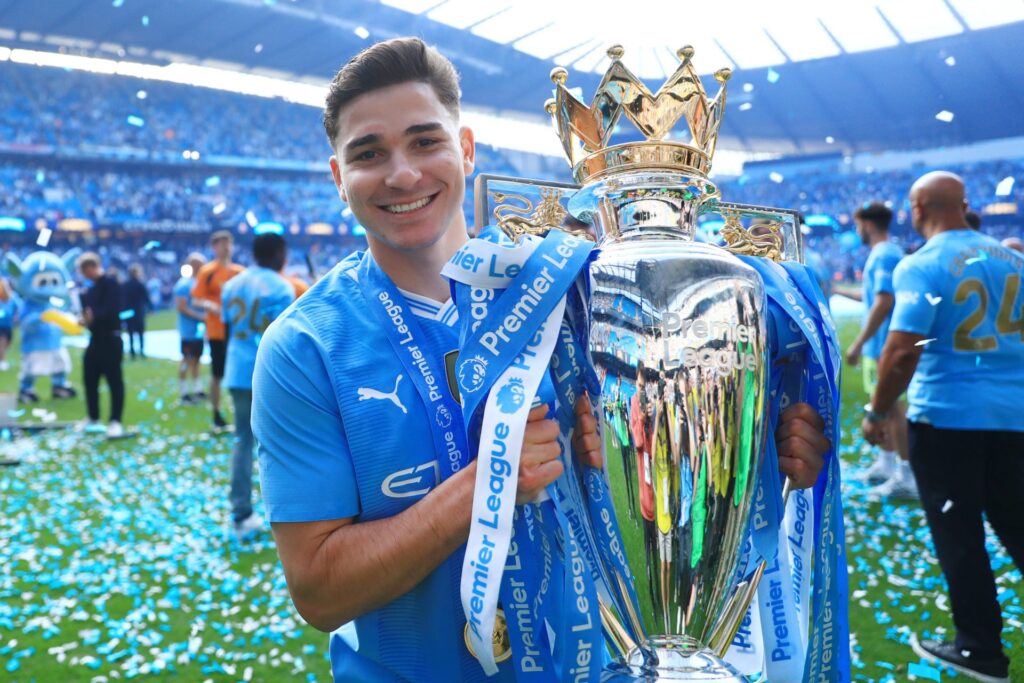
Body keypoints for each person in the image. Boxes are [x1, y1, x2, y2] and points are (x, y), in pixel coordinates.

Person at [251, 37, 830, 682]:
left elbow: (652, 458)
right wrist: (490, 482)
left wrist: (743, 456)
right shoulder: (303, 348)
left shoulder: (576, 290)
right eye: (368, 154)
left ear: (465, 150)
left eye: (424, 141)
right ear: (339, 178)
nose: (403, 174)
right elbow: (320, 592)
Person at [862, 171, 1024, 683]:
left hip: (950, 420)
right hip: (1015, 418)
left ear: (917, 206)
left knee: (961, 538)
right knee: (1019, 526)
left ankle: (980, 650)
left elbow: (903, 348)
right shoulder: (1015, 260)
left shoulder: (923, 263)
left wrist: (877, 409)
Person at [221, 234, 296, 541]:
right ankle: (291, 515)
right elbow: (285, 336)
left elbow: (228, 328)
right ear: (279, 254)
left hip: (237, 369)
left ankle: (240, 511)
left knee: (242, 441)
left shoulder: (232, 284)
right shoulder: (281, 286)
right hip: (270, 372)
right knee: (284, 443)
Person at [839, 202, 916, 498]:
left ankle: (907, 475)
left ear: (868, 224)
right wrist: (839, 291)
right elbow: (872, 298)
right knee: (885, 405)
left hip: (885, 344)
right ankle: (887, 465)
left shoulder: (884, 254)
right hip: (880, 345)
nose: (857, 230)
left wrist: (858, 342)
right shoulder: (884, 254)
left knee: (893, 407)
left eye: (858, 225)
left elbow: (884, 301)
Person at [191, 231, 243, 429]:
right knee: (218, 373)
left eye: (228, 242)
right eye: (221, 243)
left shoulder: (240, 271)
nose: (226, 246)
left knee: (239, 373)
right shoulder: (207, 271)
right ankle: (216, 413)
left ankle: (241, 412)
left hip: (239, 332)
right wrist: (209, 305)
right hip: (217, 331)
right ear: (214, 247)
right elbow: (196, 298)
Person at [76, 253, 126, 438]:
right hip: (95, 339)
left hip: (111, 339)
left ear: (91, 267)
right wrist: (85, 320)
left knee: (114, 380)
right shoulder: (90, 289)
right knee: (90, 378)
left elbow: (112, 310)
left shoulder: (111, 284)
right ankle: (93, 416)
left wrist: (93, 316)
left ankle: (115, 420)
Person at [174, 253, 207, 405]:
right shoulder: (184, 284)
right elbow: (181, 307)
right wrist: (199, 317)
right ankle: (183, 392)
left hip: (198, 331)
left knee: (196, 360)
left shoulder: (198, 282)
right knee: (186, 360)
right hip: (188, 330)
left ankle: (197, 389)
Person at [122, 264, 149, 359]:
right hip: (138, 311)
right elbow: (146, 297)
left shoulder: (125, 285)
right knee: (140, 332)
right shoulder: (140, 284)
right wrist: (150, 308)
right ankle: (141, 351)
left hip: (128, 312)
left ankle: (132, 351)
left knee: (130, 332)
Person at [0, 277, 16, 372]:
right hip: (1, 326)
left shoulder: (12, 298)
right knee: (2, 344)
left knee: (6, 344)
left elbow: (16, 309)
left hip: (8, 325)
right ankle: (2, 362)